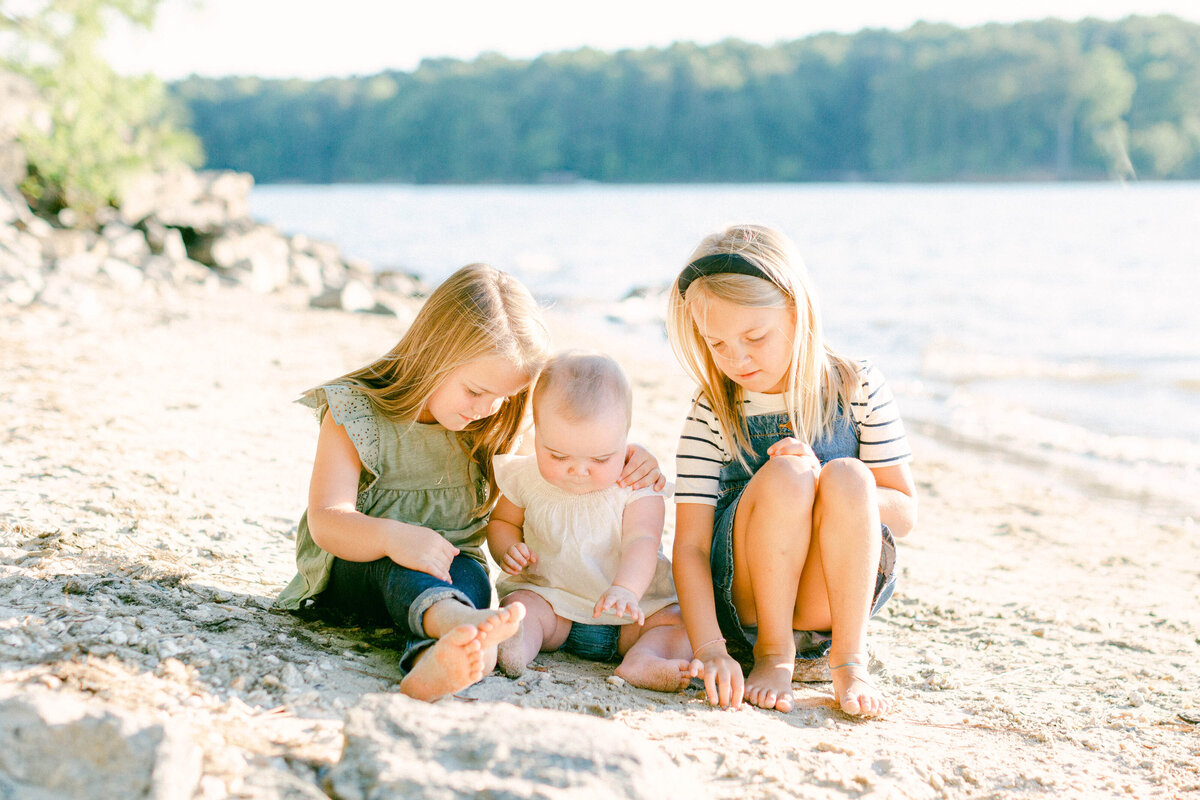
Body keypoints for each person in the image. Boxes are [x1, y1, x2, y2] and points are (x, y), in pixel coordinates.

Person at [274, 264, 662, 702]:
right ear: (434, 353)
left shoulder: (490, 419)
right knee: (408, 569)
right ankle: (459, 625)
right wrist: (393, 537)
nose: (489, 408)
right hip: (359, 569)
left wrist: (629, 452)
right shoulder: (358, 414)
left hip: (453, 573)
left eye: (505, 397)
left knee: (470, 579)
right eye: (476, 391)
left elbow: (569, 442)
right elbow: (327, 520)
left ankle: (434, 660)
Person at [666, 224, 917, 717]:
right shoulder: (714, 409)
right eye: (717, 344)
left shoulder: (856, 385)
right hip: (750, 602)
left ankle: (849, 660)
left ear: (798, 312)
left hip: (833, 601)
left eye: (754, 337)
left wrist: (826, 483)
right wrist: (710, 648)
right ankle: (774, 655)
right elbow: (691, 546)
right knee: (786, 478)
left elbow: (904, 512)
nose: (736, 359)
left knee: (849, 476)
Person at [486, 352, 696, 692]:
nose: (579, 471)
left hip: (632, 614)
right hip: (554, 606)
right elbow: (501, 522)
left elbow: (642, 541)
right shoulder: (525, 477)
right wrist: (507, 548)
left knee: (681, 624)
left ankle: (643, 659)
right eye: (557, 455)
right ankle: (517, 646)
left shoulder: (636, 483)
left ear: (625, 438)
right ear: (536, 432)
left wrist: (626, 589)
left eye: (600, 458)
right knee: (520, 608)